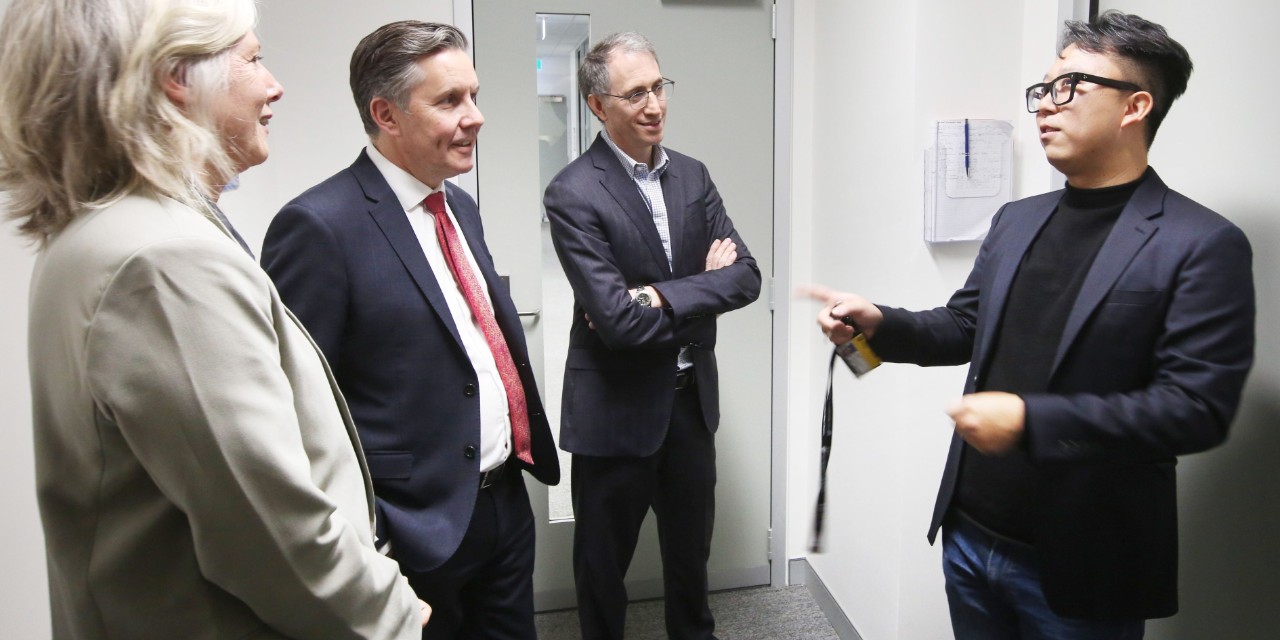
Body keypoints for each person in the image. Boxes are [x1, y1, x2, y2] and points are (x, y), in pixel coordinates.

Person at [805, 11, 1254, 640]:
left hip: (1084, 560)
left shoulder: (1201, 242)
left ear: (1136, 105)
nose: (1045, 105)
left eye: (1069, 87)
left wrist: (1030, 420)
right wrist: (879, 323)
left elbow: (1196, 409)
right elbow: (965, 325)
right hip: (969, 533)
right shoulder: (1017, 219)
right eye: (1042, 89)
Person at [0, 0, 428, 638]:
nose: (273, 84)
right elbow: (271, 534)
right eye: (253, 59)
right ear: (177, 75)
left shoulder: (102, 232)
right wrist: (391, 613)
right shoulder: (165, 259)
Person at [260, 21, 560, 640]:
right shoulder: (319, 227)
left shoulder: (459, 206)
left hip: (504, 504)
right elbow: (293, 409)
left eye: (473, 95)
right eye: (450, 101)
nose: (474, 117)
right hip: (413, 527)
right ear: (386, 114)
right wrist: (369, 540)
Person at [543, 31, 761, 640]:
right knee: (601, 568)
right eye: (635, 93)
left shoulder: (693, 177)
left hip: (691, 405)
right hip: (613, 409)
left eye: (658, 87)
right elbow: (615, 321)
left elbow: (747, 277)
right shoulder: (573, 192)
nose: (654, 105)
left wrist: (657, 294)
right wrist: (699, 286)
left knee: (691, 561)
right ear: (597, 105)